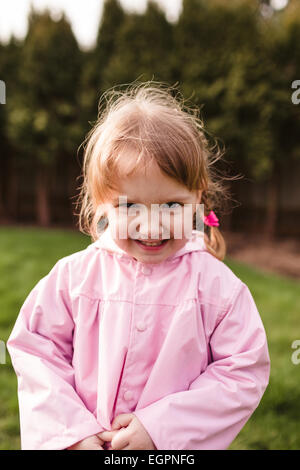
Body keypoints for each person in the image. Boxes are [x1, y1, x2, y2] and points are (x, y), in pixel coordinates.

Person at [7, 81, 270, 450]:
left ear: (198, 198)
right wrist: (73, 433)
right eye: (129, 206)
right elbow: (37, 351)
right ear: (100, 204)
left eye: (172, 206)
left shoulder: (217, 290)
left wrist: (162, 429)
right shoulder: (74, 279)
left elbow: (242, 371)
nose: (151, 227)